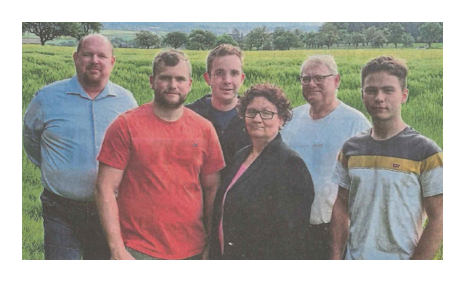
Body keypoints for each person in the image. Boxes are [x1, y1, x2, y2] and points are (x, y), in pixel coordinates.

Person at [95, 49, 225, 260]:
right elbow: (105, 188)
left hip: (193, 251)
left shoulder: (204, 129)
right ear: (152, 81)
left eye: (180, 79)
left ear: (189, 84)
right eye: (165, 78)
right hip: (138, 251)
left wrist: (211, 245)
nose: (173, 85)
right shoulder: (125, 125)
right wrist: (117, 249)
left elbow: (212, 190)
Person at [23, 34, 138, 260]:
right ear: (76, 58)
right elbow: (31, 139)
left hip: (110, 210)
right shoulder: (47, 98)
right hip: (61, 210)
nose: (95, 60)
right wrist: (55, 168)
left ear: (112, 62)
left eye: (102, 55)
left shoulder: (126, 101)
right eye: (88, 54)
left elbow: (134, 150)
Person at [330, 56, 443, 260]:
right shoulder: (350, 149)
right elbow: (340, 205)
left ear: (404, 95)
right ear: (362, 94)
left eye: (388, 90)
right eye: (371, 90)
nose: (379, 98)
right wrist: (337, 258)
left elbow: (440, 218)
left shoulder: (426, 152)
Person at [209, 84, 315, 260]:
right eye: (251, 112)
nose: (257, 119)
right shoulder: (241, 156)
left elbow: (291, 237)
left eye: (266, 113)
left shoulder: (290, 164)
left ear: (281, 120)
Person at [281, 55, 371, 260]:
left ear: (336, 80)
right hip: (293, 226)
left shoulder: (355, 123)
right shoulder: (291, 119)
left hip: (335, 229)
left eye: (319, 78)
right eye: (306, 79)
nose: (312, 84)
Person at [187, 44, 251, 168]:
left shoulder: (254, 117)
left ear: (242, 79)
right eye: (219, 73)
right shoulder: (190, 115)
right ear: (208, 78)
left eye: (234, 73)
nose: (227, 80)